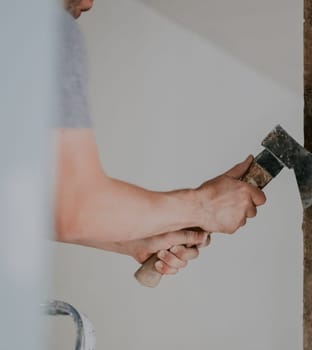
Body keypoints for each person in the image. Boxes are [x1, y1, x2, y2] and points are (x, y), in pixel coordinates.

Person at [55, 0, 266, 276]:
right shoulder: (45, 33)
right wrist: (203, 206)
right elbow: (74, 204)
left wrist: (132, 239)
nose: (88, 3)